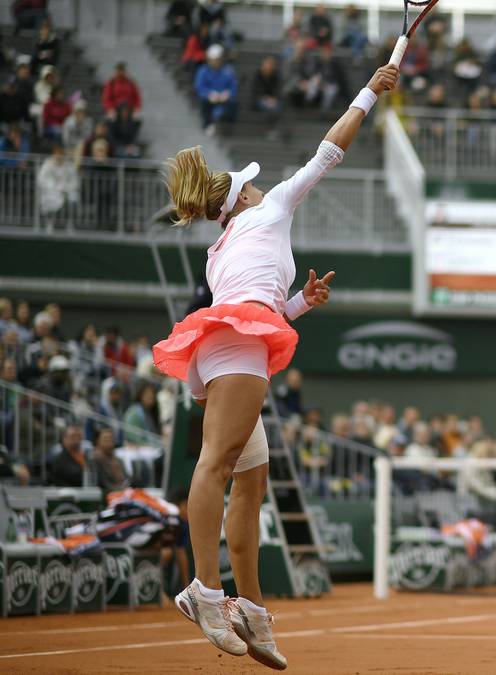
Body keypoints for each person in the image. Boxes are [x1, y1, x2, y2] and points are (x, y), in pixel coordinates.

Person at [155, 57, 399, 668]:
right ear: (243, 198)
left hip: (223, 349)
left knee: (250, 480)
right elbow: (328, 151)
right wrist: (370, 91)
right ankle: (206, 591)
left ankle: (253, 611)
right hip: (237, 351)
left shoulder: (221, 249)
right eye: (252, 183)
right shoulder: (268, 211)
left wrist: (300, 304)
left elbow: (259, 307)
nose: (261, 185)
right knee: (215, 466)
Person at [193, 44, 237, 136]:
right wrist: (209, 94)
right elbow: (200, 87)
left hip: (224, 99)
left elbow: (233, 86)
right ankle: (208, 124)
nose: (215, 62)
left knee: (233, 104)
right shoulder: (203, 71)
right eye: (213, 60)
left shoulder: (228, 71)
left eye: (217, 60)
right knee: (204, 102)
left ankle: (226, 127)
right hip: (210, 98)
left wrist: (228, 93)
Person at [89, 427, 131, 495]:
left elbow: (127, 479)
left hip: (125, 493)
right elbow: (102, 484)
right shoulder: (94, 460)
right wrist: (121, 490)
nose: (109, 443)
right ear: (97, 441)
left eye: (111, 439)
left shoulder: (119, 460)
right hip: (108, 496)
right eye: (106, 439)